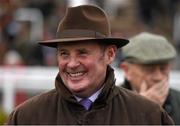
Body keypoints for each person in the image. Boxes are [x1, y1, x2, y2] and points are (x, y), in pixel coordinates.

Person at [6, 5, 173, 125]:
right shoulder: (26, 117)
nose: (71, 64)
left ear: (110, 54)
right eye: (64, 54)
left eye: (82, 53)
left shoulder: (149, 116)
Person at [120, 32, 180, 124]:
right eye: (149, 69)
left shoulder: (177, 100)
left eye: (163, 69)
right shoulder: (109, 103)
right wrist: (140, 111)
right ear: (127, 70)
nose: (159, 77)